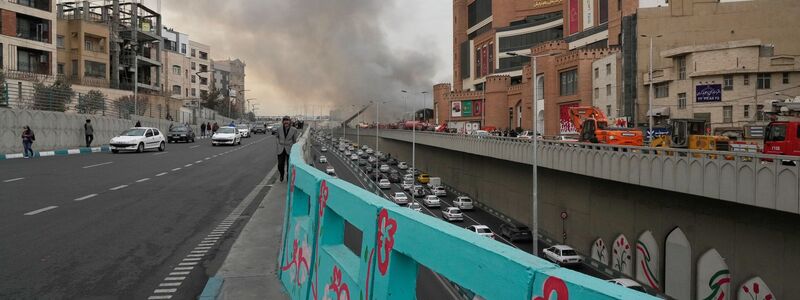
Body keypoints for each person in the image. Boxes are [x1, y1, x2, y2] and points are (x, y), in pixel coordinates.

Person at [275, 116, 299, 182]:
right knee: (280, 165)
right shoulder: (279, 129)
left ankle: (288, 176)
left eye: (287, 120)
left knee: (289, 165)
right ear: (283, 122)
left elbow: (295, 140)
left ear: (290, 121)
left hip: (289, 149)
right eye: (285, 120)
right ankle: (281, 174)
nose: (286, 122)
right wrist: (278, 144)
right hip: (280, 149)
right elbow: (277, 137)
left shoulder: (294, 130)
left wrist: (294, 148)